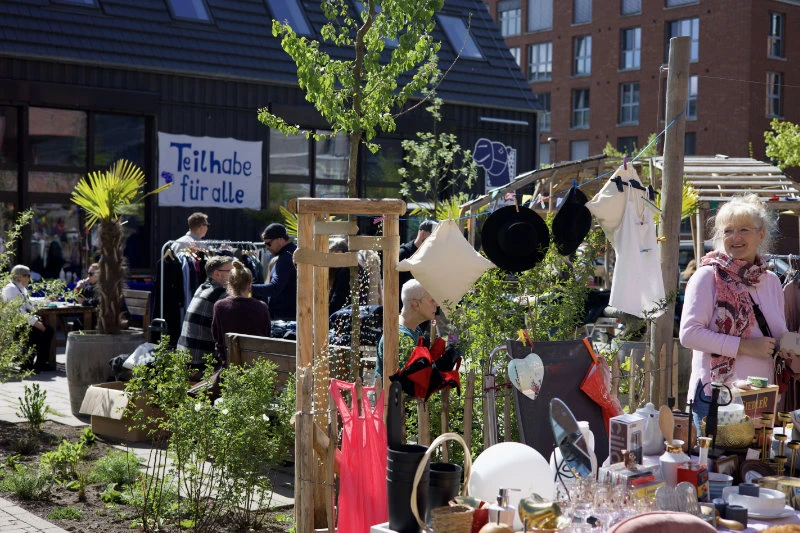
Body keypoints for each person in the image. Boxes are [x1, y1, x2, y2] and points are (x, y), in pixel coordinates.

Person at [680, 194, 791, 433]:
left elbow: (777, 334)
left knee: (755, 467)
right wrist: (745, 346)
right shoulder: (707, 277)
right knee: (715, 468)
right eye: (728, 231)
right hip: (716, 397)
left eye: (744, 230)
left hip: (760, 398)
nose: (735, 238)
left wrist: (792, 344)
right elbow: (689, 334)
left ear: (761, 234)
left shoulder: (770, 281)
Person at [177, 256, 233, 367]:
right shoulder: (220, 293)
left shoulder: (202, 288)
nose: (234, 275)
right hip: (201, 364)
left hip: (183, 359)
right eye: (230, 271)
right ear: (217, 274)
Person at [211, 259, 271, 365]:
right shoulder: (262, 307)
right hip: (256, 366)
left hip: (230, 365)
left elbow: (218, 338)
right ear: (249, 285)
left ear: (229, 284)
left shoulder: (220, 306)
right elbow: (266, 337)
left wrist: (224, 360)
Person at [376, 279, 438, 378]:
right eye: (432, 300)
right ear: (416, 304)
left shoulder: (414, 328)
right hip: (392, 393)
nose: (437, 304)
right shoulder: (400, 336)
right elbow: (411, 381)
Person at [2, 264, 54, 372]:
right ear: (20, 277)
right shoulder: (11, 289)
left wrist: (46, 300)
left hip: (20, 322)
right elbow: (19, 313)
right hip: (13, 324)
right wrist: (37, 324)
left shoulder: (20, 288)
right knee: (37, 331)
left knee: (47, 330)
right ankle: (27, 364)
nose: (29, 278)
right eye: (28, 276)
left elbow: (29, 303)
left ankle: (40, 363)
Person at [252, 223, 297, 321]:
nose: (266, 247)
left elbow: (275, 288)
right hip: (288, 315)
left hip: (286, 318)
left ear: (280, 240)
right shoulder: (289, 254)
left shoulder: (287, 257)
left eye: (268, 243)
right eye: (264, 244)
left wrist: (247, 287)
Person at [397, 220, 437, 305]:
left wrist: (436, 311)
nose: (434, 242)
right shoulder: (403, 253)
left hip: (425, 309)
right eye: (432, 237)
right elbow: (396, 286)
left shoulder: (431, 256)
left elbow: (432, 284)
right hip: (405, 309)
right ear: (422, 233)